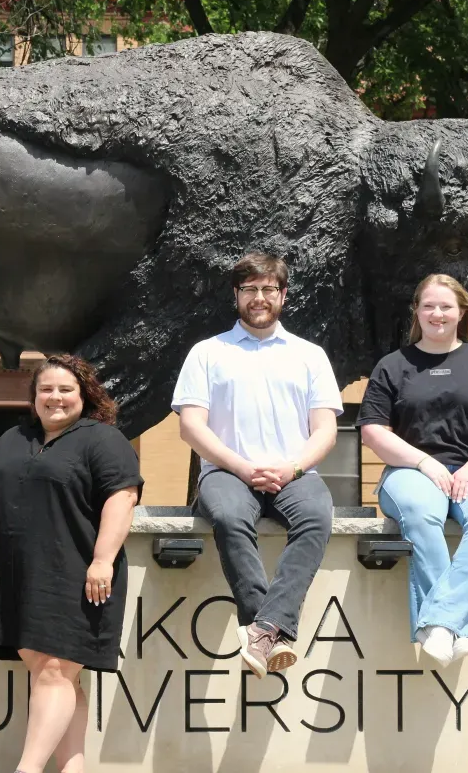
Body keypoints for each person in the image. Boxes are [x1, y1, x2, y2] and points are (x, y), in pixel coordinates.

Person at [0, 354, 141, 773]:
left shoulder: (103, 440)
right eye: (46, 389)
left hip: (80, 574)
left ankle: (26, 769)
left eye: (66, 389)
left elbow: (123, 499)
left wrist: (102, 559)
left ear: (84, 394)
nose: (55, 397)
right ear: (33, 396)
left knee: (53, 671)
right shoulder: (13, 438)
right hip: (21, 572)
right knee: (57, 676)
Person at [173, 251, 342, 678]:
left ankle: (262, 630)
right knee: (229, 518)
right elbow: (191, 427)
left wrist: (292, 469)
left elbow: (325, 431)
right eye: (250, 289)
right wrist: (242, 467)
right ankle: (267, 625)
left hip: (294, 473)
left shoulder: (309, 355)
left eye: (268, 289)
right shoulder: (207, 353)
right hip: (226, 472)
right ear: (237, 295)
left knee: (318, 517)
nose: (259, 297)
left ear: (283, 295)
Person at [357, 273, 468, 667]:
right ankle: (458, 628)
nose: (437, 313)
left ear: (461, 312)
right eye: (428, 305)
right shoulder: (394, 365)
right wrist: (423, 461)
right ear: (416, 311)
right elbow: (372, 430)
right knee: (419, 513)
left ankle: (440, 625)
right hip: (411, 470)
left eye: (445, 306)